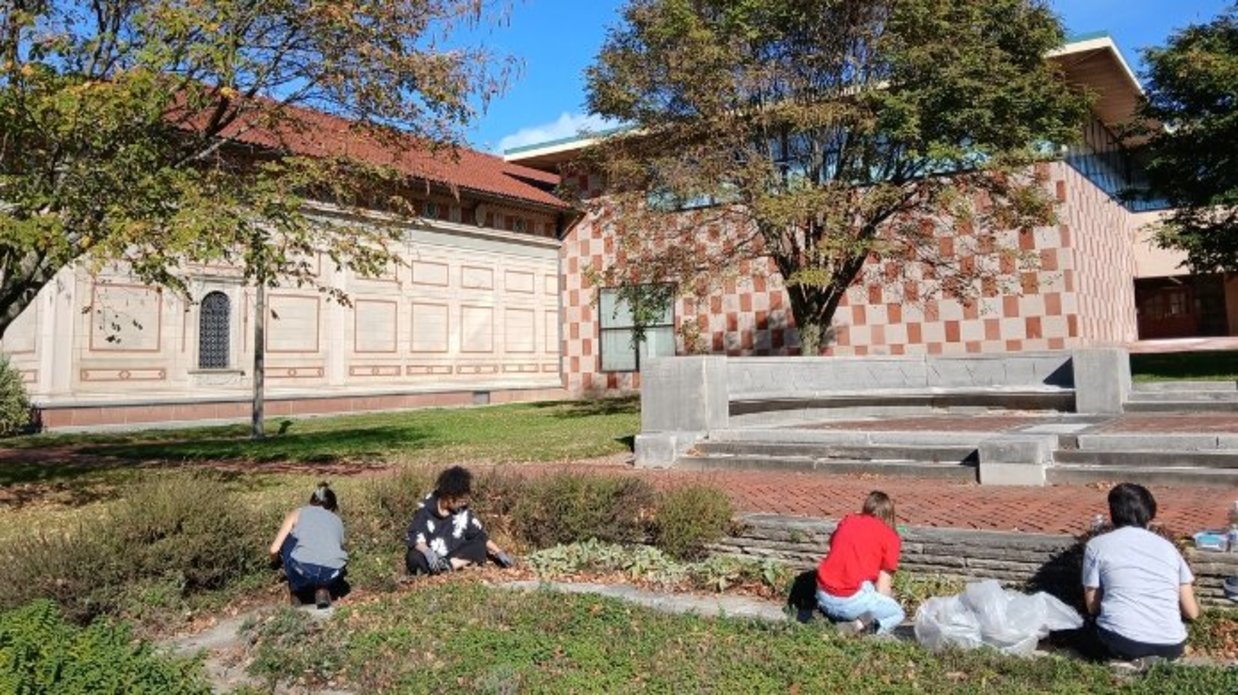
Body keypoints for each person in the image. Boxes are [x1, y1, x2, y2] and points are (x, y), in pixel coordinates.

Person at [1082, 483, 1199, 661]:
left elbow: (1093, 606)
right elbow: (1192, 612)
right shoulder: (1169, 548)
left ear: (1113, 514)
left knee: (1080, 629)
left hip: (1120, 641)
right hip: (1172, 646)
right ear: (1150, 516)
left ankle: (1127, 660)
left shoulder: (1097, 545)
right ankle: (1149, 660)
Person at [815, 491, 905, 635]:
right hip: (850, 603)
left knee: (865, 585)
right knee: (897, 613)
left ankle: (836, 620)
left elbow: (833, 546)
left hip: (822, 597)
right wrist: (886, 604)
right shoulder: (890, 537)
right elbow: (882, 588)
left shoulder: (848, 520)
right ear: (890, 515)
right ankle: (859, 627)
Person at [405, 466, 514, 575]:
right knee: (413, 557)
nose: (463, 504)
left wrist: (499, 551)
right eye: (460, 501)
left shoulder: (462, 511)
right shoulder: (425, 509)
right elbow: (415, 538)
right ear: (449, 497)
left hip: (454, 553)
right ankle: (442, 567)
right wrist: (427, 552)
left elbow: (479, 534)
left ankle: (449, 565)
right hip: (432, 555)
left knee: (478, 545)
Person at [269, 482, 348, 609]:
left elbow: (274, 549)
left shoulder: (297, 513)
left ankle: (297, 592)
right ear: (332, 505)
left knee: (290, 538)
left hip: (303, 571)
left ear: (311, 500)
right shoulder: (337, 520)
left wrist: (275, 563)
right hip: (333, 573)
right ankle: (322, 590)